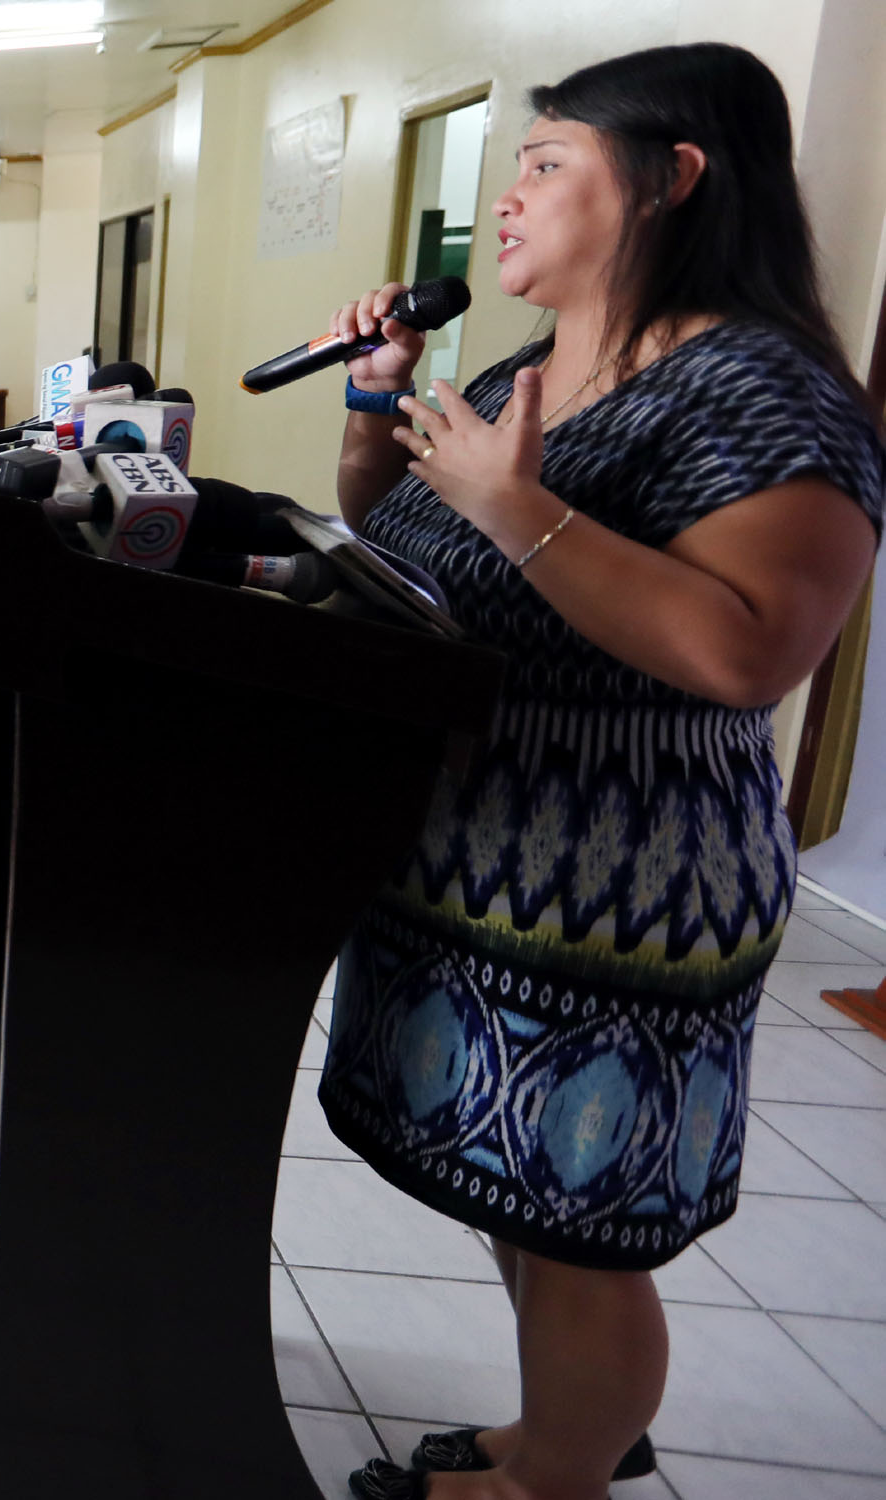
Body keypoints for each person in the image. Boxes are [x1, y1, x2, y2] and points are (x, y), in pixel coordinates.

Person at [319, 44, 884, 1500]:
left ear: (672, 178)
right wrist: (377, 405)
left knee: (578, 1222)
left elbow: (753, 649)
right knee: (522, 1199)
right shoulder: (529, 369)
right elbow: (398, 536)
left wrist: (524, 519)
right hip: (480, 853)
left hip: (623, 880)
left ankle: (547, 1483)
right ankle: (551, 1433)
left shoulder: (760, 390)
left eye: (546, 163)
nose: (504, 200)